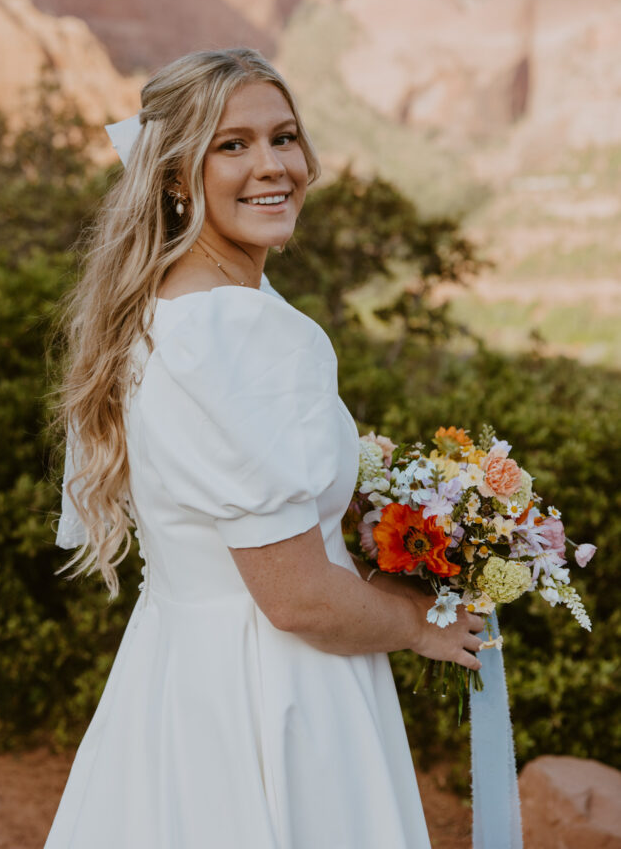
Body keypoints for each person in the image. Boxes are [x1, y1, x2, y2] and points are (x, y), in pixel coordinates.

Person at [45, 47, 484, 849]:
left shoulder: (170, 303)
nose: (272, 166)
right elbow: (297, 598)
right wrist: (421, 623)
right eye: (232, 145)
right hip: (277, 692)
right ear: (177, 174)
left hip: (179, 676)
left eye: (283, 137)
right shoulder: (233, 330)